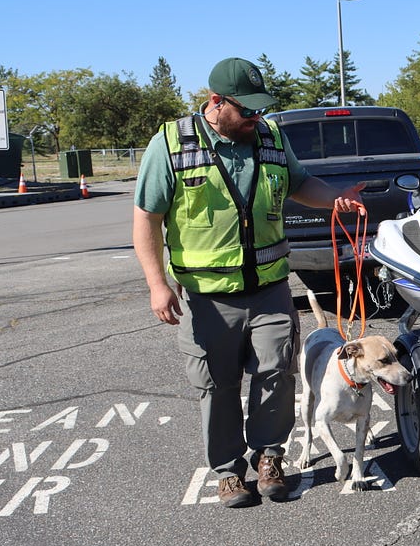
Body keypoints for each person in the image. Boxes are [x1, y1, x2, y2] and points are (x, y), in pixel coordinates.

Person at [133, 57, 365, 508]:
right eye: (247, 111)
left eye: (260, 110)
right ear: (216, 102)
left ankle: (269, 458)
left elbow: (300, 183)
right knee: (217, 387)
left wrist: (334, 200)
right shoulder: (170, 144)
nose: (256, 118)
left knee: (275, 376)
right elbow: (147, 218)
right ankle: (227, 471)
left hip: (270, 288)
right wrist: (156, 283)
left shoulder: (271, 136)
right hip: (207, 297)